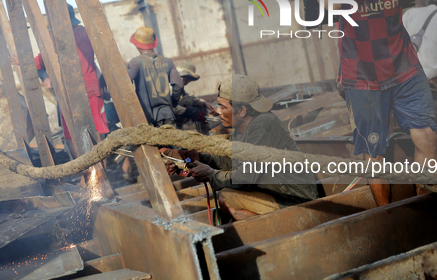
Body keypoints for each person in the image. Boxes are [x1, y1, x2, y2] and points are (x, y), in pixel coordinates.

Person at [294, 0, 437, 206]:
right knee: (375, 154)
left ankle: (426, 210)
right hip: (361, 74)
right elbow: (330, 4)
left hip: (403, 65)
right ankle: (386, 219)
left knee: (427, 137)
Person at [164, 75, 318, 221]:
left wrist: (211, 175)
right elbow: (227, 160)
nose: (217, 111)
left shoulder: (263, 125)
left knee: (226, 197)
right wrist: (197, 157)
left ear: (242, 110)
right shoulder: (242, 129)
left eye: (223, 107)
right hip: (275, 192)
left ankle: (268, 231)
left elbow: (246, 177)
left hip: (294, 199)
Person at [17, 3, 109, 158]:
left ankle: (89, 174)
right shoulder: (86, 32)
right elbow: (107, 59)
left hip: (68, 94)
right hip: (92, 90)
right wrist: (101, 82)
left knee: (72, 136)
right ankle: (101, 176)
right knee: (97, 132)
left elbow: (38, 62)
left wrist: (21, 61)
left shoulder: (53, 37)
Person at [127, 26, 183, 127]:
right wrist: (173, 101)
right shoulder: (168, 62)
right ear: (153, 44)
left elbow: (125, 86)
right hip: (168, 114)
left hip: (146, 117)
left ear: (137, 45)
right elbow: (179, 85)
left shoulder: (135, 63)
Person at [173, 61, 215, 129]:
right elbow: (169, 108)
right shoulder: (170, 87)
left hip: (176, 118)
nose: (188, 81)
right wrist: (189, 111)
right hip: (167, 121)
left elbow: (188, 98)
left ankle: (207, 132)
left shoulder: (179, 87)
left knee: (199, 104)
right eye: (187, 78)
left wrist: (204, 103)